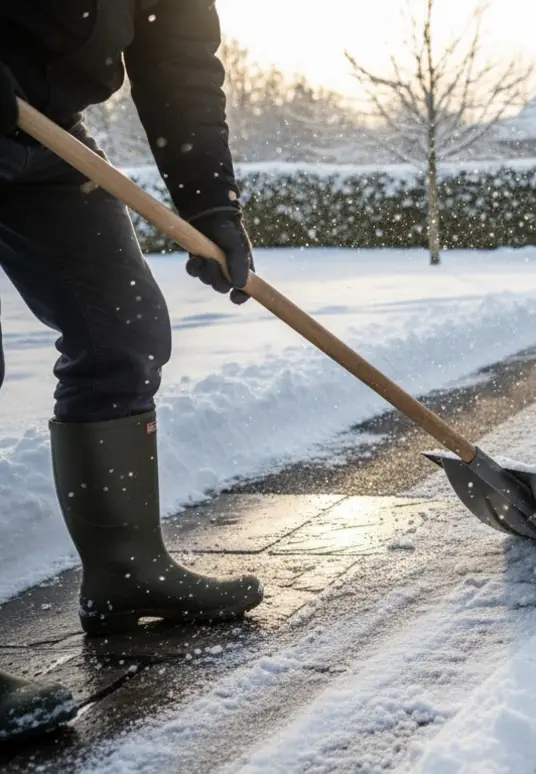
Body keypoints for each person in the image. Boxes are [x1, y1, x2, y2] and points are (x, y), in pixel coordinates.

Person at [0, 1, 264, 742]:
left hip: (42, 126)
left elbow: (174, 46)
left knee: (121, 335)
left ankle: (123, 570)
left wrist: (211, 201)